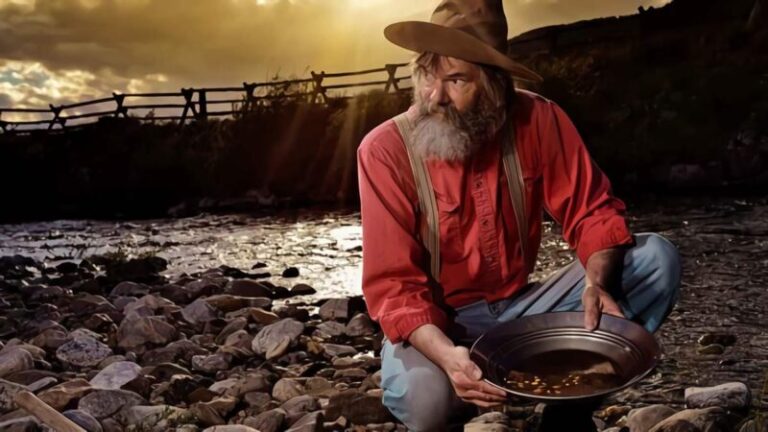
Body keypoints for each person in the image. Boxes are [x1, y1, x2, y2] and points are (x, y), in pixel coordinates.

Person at [356, 1, 682, 430]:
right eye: (427, 74)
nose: (435, 95)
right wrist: (445, 356)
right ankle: (462, 388)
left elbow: (591, 213)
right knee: (424, 403)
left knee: (657, 259)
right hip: (436, 326)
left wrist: (595, 282)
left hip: (521, 312)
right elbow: (394, 287)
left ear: (494, 83)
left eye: (456, 79)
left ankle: (568, 408)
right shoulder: (383, 151)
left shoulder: (540, 119)